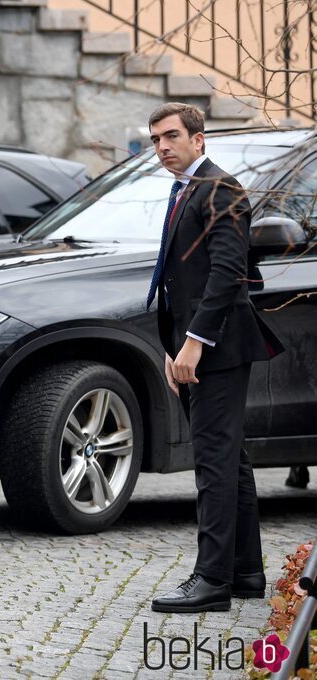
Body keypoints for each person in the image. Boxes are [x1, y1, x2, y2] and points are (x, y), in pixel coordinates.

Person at [145, 102, 284, 613]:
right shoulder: (188, 189)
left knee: (213, 465)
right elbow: (183, 279)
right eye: (156, 138)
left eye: (172, 136)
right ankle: (246, 573)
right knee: (230, 460)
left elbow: (228, 274)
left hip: (217, 349)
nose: (163, 146)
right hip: (195, 345)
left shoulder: (220, 189)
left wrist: (194, 343)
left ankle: (210, 582)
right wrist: (170, 343)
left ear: (199, 139)